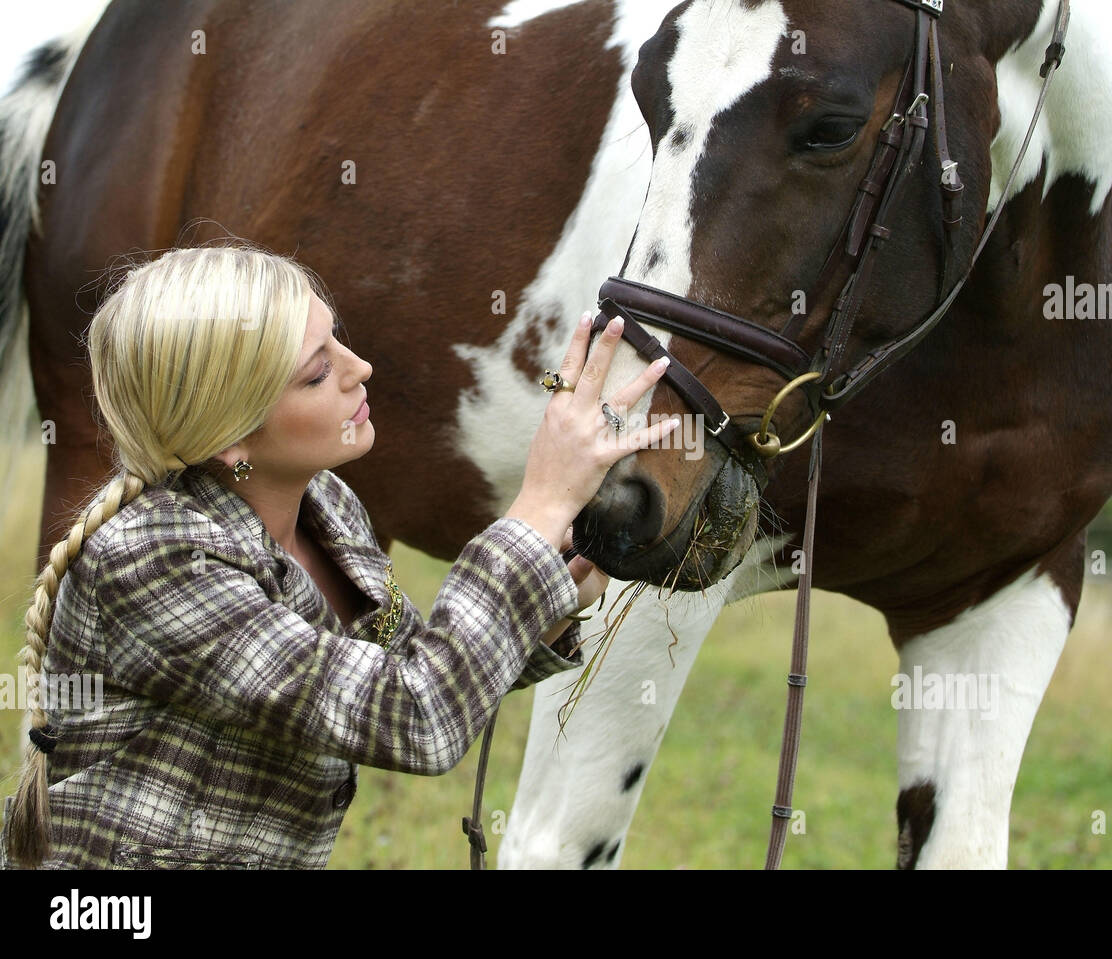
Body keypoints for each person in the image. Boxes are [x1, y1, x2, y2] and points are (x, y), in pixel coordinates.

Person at [0, 243, 678, 869]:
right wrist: (536, 509)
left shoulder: (325, 514)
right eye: (318, 372)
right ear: (231, 437)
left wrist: (552, 594)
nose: (361, 370)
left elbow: (411, 664)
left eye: (336, 340)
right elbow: (417, 716)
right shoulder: (155, 562)